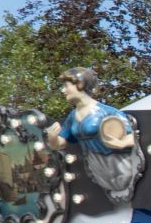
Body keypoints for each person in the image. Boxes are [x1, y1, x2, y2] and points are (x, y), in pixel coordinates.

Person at [46, 66, 140, 205]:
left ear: (80, 83)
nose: (63, 90)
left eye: (66, 86)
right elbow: (60, 144)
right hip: (95, 166)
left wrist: (120, 143)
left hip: (116, 163)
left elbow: (132, 136)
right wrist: (52, 137)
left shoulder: (105, 112)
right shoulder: (72, 117)